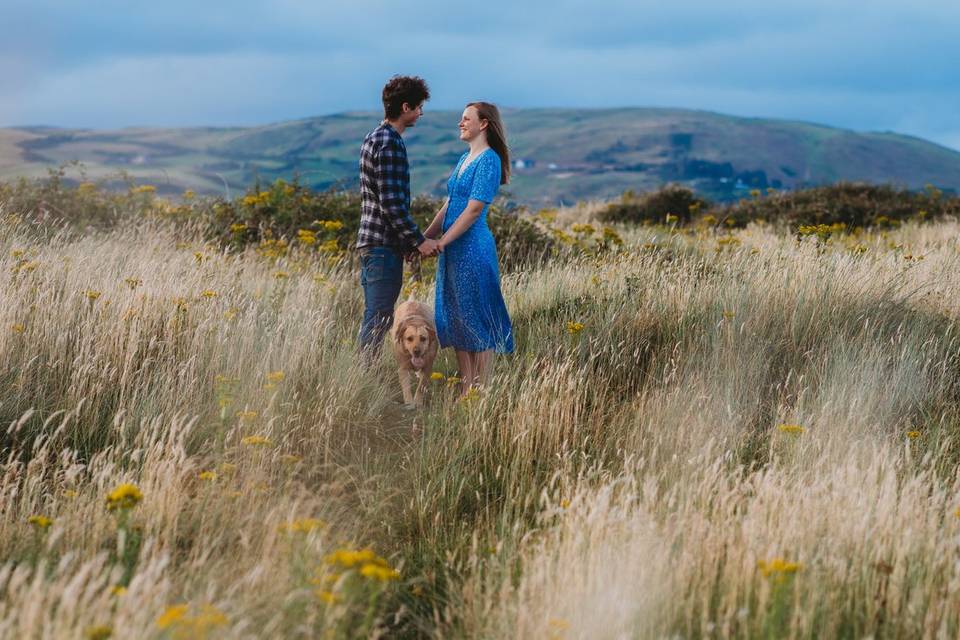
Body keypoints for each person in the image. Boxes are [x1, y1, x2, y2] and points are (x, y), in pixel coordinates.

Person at [424, 102, 514, 395]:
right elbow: (450, 203)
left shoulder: (489, 160)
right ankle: (466, 388)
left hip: (473, 248)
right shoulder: (465, 158)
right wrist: (426, 238)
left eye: (466, 119)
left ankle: (482, 388)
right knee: (457, 316)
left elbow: (474, 209)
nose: (460, 123)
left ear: (484, 123)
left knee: (477, 314)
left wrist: (442, 242)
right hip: (452, 249)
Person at [356, 76, 441, 361]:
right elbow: (391, 204)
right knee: (378, 318)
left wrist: (406, 245)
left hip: (374, 244)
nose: (420, 113)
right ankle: (362, 378)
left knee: (375, 315)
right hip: (381, 246)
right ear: (405, 107)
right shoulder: (390, 143)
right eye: (418, 107)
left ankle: (363, 376)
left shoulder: (374, 136)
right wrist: (418, 241)